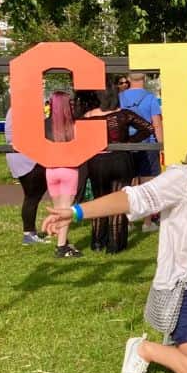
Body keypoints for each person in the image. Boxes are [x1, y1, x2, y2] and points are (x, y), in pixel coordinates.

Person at [42, 116, 187, 373]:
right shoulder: (182, 178)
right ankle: (144, 349)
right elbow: (132, 198)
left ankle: (183, 344)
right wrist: (77, 211)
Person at [76, 89, 154, 253]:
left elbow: (80, 138)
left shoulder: (88, 116)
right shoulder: (124, 114)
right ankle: (115, 244)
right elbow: (148, 128)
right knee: (118, 201)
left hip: (97, 161)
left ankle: (97, 242)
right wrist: (128, 142)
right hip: (120, 159)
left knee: (99, 198)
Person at [118, 71, 164, 230]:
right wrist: (161, 144)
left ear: (128, 79)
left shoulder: (121, 98)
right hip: (148, 144)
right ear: (144, 79)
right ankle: (147, 222)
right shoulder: (150, 98)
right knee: (147, 185)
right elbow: (156, 123)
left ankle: (128, 221)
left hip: (126, 145)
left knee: (128, 184)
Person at [44, 91, 82, 258]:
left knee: (57, 208)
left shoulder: (44, 124)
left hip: (50, 169)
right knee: (66, 210)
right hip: (69, 169)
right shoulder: (74, 125)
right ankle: (61, 247)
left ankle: (62, 240)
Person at [4, 107, 49, 245]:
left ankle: (29, 233)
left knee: (31, 196)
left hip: (20, 157)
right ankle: (29, 234)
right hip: (27, 158)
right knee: (32, 197)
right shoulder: (24, 109)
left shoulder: (14, 110)